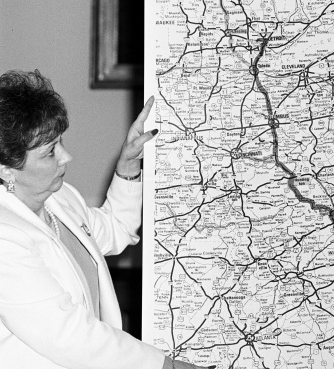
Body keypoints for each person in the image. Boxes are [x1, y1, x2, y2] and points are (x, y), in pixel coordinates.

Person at [0, 70, 205, 369]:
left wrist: (129, 163)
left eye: (61, 143)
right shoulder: (5, 238)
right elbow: (70, 336)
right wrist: (165, 366)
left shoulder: (60, 198)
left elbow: (116, 229)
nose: (66, 157)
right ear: (6, 169)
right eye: (49, 153)